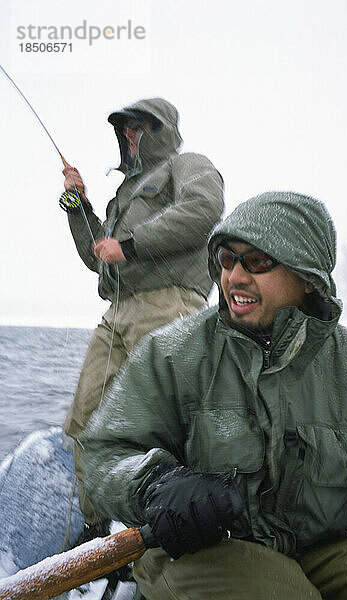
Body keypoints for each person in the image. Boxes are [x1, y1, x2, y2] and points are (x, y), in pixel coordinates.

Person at [80, 191, 347, 599]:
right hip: (201, 552)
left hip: (325, 549)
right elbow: (104, 453)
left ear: (309, 278)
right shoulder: (173, 353)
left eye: (258, 261)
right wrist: (155, 484)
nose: (235, 276)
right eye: (227, 259)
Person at [61, 97, 224, 525]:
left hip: (168, 303)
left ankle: (173, 530)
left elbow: (205, 208)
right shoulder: (124, 196)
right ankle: (97, 531)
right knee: (84, 419)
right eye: (125, 128)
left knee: (167, 425)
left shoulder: (187, 163)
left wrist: (129, 245)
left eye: (139, 126)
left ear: (160, 129)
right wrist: (78, 205)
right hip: (115, 312)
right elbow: (95, 253)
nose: (129, 134)